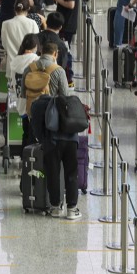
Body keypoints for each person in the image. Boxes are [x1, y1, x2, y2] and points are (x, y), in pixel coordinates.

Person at [30, 85, 81, 220]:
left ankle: (55, 207)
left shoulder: (38, 104)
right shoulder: (68, 100)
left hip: (52, 142)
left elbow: (35, 128)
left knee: (53, 174)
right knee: (71, 173)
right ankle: (72, 209)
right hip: (71, 141)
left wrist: (43, 140)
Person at [22, 40, 68, 146]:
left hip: (32, 112)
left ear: (41, 52)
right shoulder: (59, 71)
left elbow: (23, 94)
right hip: (51, 113)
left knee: (31, 141)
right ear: (55, 54)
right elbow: (64, 96)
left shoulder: (29, 68)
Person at [43, 0, 80, 81]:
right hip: (65, 20)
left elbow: (70, 4)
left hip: (68, 22)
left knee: (65, 51)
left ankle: (67, 78)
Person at [2, 0, 40, 77]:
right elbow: (36, 44)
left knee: (13, 88)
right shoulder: (32, 23)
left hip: (12, 65)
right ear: (28, 8)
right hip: (30, 66)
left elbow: (4, 45)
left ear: (15, 8)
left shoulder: (5, 24)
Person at [9, 34, 40, 131]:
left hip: (20, 102)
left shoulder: (15, 61)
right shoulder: (37, 60)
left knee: (25, 131)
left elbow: (12, 83)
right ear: (36, 46)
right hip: (35, 102)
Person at [38, 11, 69, 75]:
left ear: (46, 22)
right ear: (60, 27)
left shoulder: (35, 38)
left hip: (35, 77)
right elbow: (62, 66)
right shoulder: (61, 45)